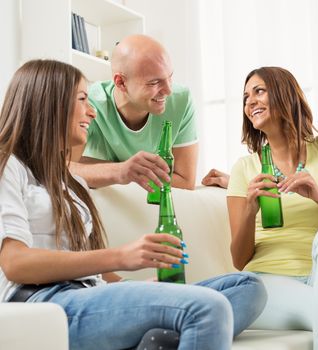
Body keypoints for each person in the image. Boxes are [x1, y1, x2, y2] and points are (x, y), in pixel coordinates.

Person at [0, 59, 266, 350]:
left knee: (248, 287)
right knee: (208, 308)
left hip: (90, 294)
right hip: (47, 302)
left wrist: (136, 289)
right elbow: (15, 263)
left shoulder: (66, 182)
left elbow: (93, 273)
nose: (91, 111)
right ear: (49, 104)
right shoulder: (9, 165)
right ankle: (167, 333)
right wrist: (122, 256)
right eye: (82, 99)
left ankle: (160, 338)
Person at [227, 66, 318, 349]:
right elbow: (239, 259)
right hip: (269, 281)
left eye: (259, 91)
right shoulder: (244, 169)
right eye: (246, 97)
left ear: (284, 94)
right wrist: (249, 210)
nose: (250, 102)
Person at [69, 34, 198, 191]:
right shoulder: (89, 103)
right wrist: (123, 171)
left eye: (170, 77)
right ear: (121, 82)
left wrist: (105, 170)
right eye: (154, 82)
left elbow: (185, 180)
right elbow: (64, 168)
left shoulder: (181, 99)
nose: (168, 91)